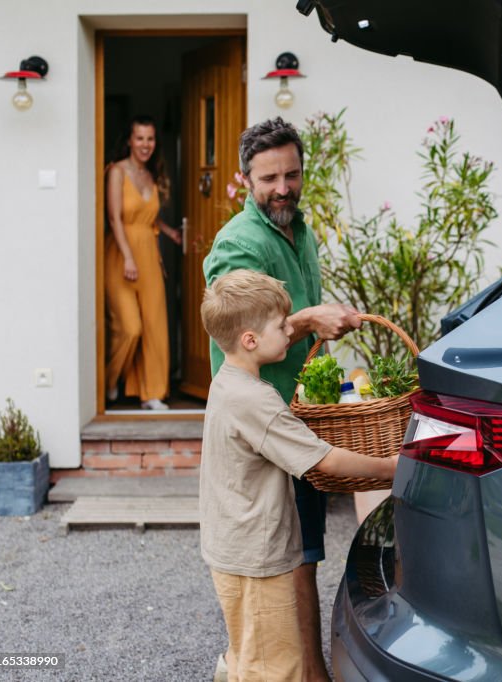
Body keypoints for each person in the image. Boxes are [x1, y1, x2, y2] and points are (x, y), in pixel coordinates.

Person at [203, 117, 362, 681]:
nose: (283, 188)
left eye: (292, 174)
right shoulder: (238, 243)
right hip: (263, 428)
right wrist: (309, 317)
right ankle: (295, 673)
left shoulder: (301, 229)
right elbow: (235, 327)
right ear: (246, 179)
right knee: (288, 557)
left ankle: (289, 668)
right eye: (269, 177)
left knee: (307, 551)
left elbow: (292, 327)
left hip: (296, 418)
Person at [199, 269, 397, 681]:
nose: (291, 329)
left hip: (231, 548)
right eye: (280, 324)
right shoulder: (256, 401)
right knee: (277, 667)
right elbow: (322, 461)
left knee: (249, 651)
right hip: (257, 556)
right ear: (250, 340)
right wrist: (392, 469)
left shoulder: (227, 384)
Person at [104, 115, 182, 410]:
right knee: (130, 327)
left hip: (149, 254)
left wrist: (169, 231)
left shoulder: (152, 174)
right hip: (120, 254)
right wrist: (127, 257)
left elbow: (148, 214)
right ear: (129, 140)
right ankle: (110, 381)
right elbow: (115, 217)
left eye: (150, 139)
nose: (145, 144)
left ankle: (152, 393)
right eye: (140, 138)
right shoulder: (116, 171)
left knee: (154, 325)